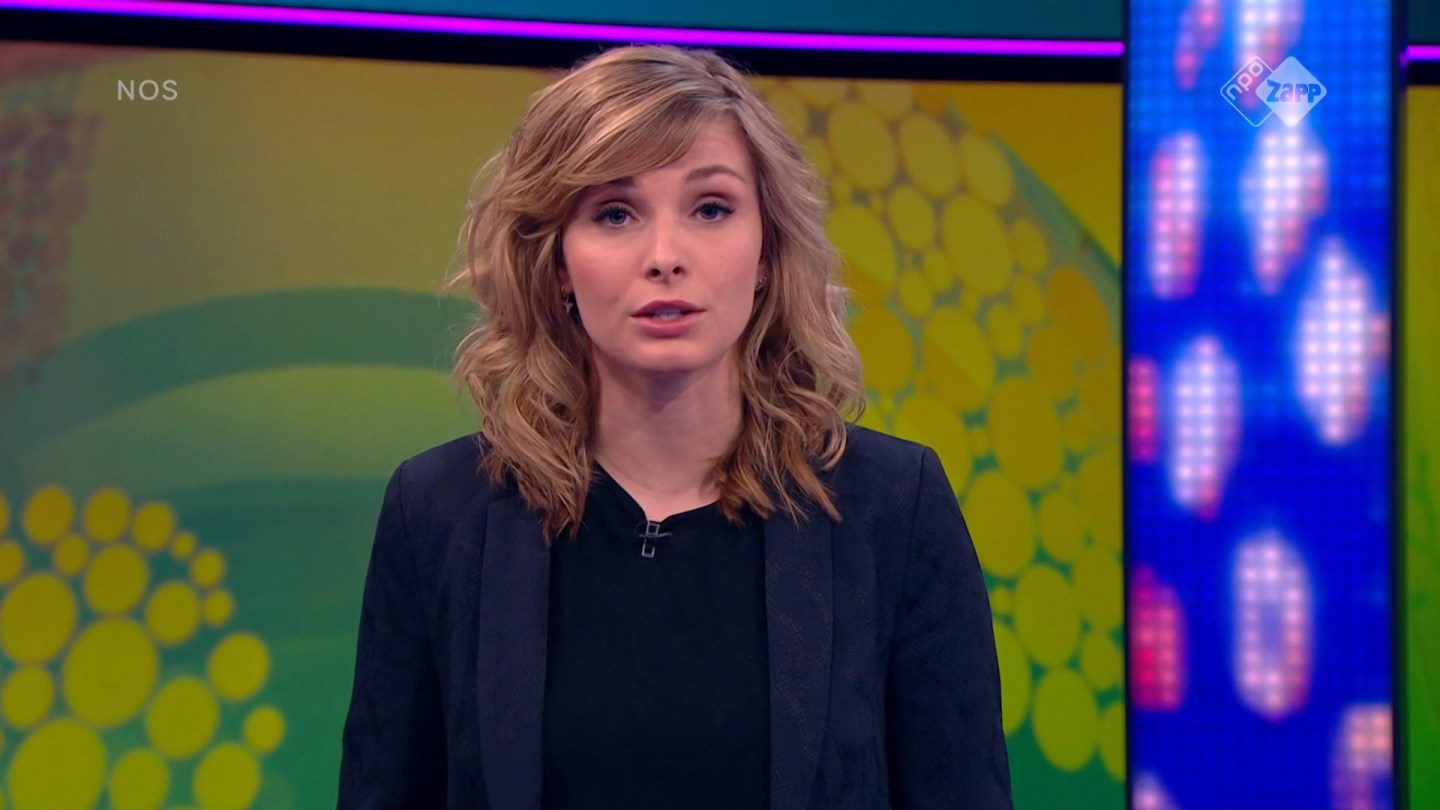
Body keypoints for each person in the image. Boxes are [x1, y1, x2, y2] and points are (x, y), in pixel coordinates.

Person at [338, 44, 1011, 810]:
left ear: (768, 251)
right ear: (556, 264)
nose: (665, 257)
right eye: (614, 213)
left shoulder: (893, 506)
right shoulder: (439, 511)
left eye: (711, 208)